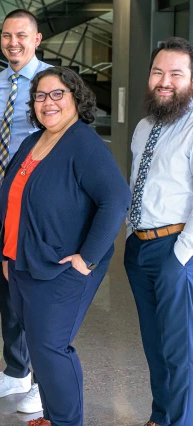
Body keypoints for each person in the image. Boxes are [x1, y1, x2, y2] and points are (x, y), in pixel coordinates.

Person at [0, 66, 130, 426]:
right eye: (41, 95)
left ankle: (67, 422)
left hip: (62, 267)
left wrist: (87, 259)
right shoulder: (32, 142)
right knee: (39, 346)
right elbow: (12, 200)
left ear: (76, 98)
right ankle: (53, 417)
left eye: (58, 94)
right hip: (25, 263)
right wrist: (6, 254)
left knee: (51, 348)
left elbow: (116, 199)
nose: (48, 102)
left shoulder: (82, 142)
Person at [0, 8, 51, 413]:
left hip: (35, 199)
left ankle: (43, 379)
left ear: (37, 39)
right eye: (7, 36)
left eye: (21, 35)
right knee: (4, 282)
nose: (13, 43)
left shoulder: (52, 84)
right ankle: (15, 368)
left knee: (35, 287)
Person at [124, 37, 193, 426]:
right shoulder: (144, 125)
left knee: (180, 350)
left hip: (176, 249)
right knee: (154, 345)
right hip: (140, 248)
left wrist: (182, 255)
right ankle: (161, 415)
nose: (164, 81)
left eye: (176, 74)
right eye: (158, 72)